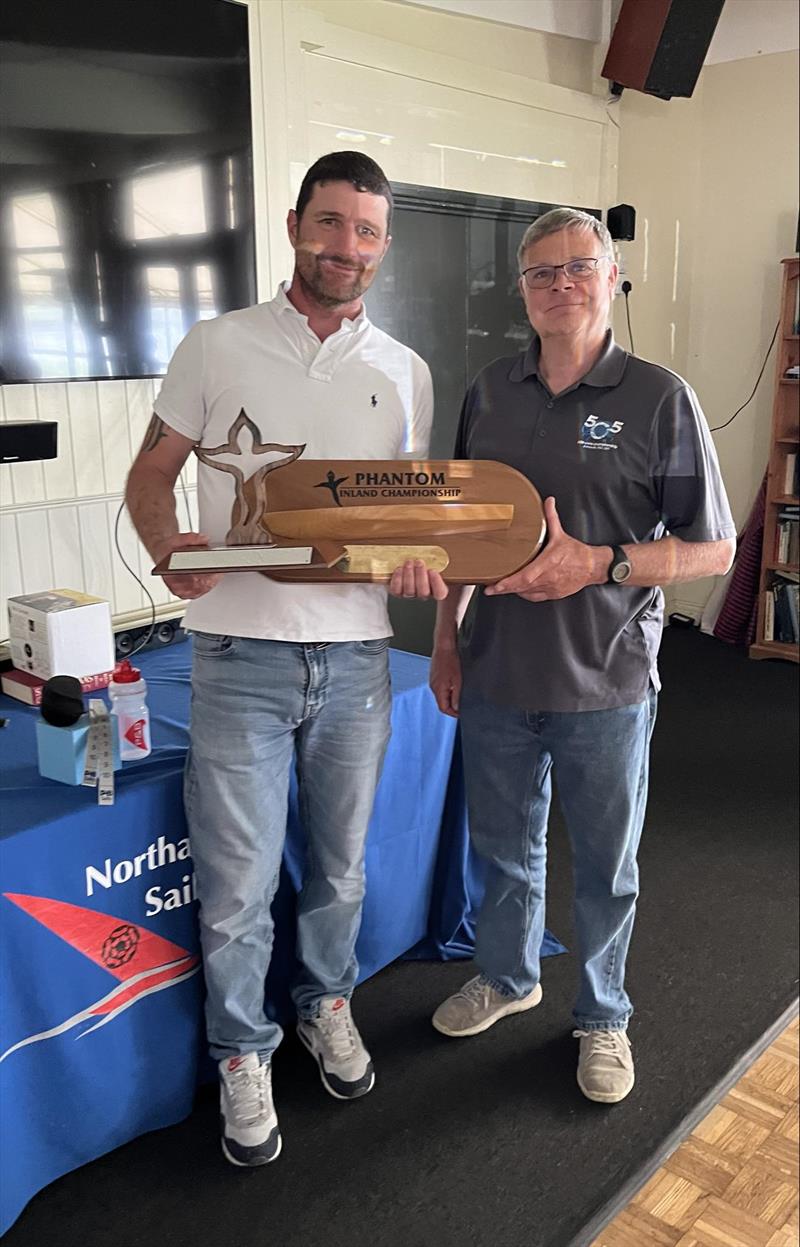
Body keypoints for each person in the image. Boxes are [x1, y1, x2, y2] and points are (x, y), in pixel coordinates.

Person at [125, 151, 445, 1167]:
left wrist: (416, 567)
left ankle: (325, 1002)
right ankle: (241, 1050)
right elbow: (152, 473)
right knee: (236, 883)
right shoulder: (214, 345)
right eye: (330, 221)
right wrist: (164, 541)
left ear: (381, 247)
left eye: (364, 230)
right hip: (234, 656)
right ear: (295, 221)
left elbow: (406, 521)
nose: (344, 245)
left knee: (339, 870)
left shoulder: (404, 370)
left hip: (357, 663)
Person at [428, 207, 736, 1104]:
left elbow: (711, 548)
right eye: (542, 273)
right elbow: (460, 537)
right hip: (494, 674)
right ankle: (509, 974)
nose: (561, 284)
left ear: (614, 277)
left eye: (579, 267)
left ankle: (603, 1014)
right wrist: (447, 639)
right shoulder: (487, 391)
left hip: (606, 677)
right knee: (503, 847)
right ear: (521, 291)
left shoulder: (659, 397)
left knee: (606, 860)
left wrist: (596, 563)